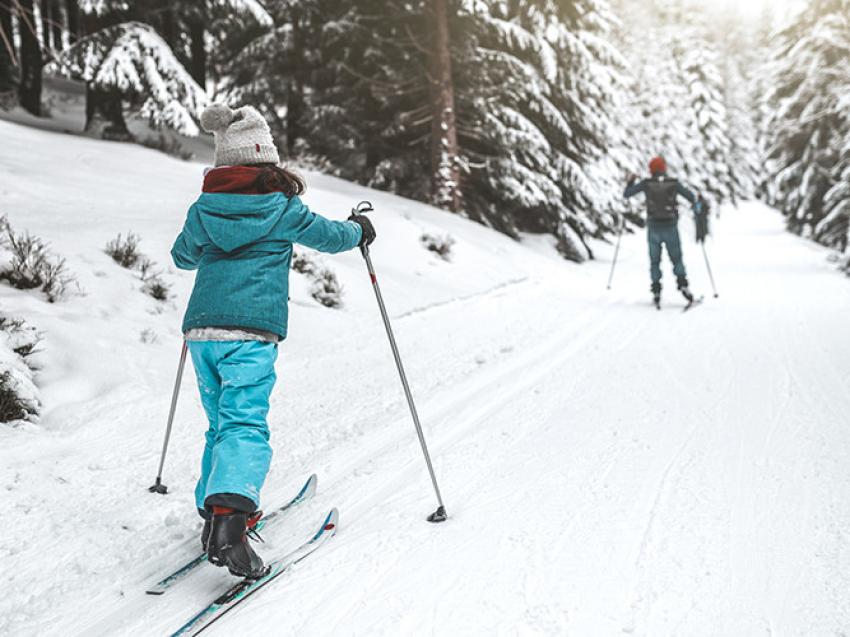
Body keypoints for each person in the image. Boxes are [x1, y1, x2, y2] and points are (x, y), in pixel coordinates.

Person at [171, 103, 375, 578]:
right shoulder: (282, 208)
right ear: (267, 159)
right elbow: (331, 237)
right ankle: (230, 526)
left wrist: (205, 240)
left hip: (201, 332)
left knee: (221, 423)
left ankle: (214, 514)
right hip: (249, 333)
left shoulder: (204, 209)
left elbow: (182, 257)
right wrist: (359, 229)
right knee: (245, 424)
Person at [623, 156, 702, 306]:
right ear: (664, 169)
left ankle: (656, 290)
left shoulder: (647, 184)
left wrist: (630, 182)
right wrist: (696, 208)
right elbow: (692, 197)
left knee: (655, 261)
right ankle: (683, 285)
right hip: (671, 226)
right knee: (676, 259)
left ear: (651, 170)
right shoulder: (673, 183)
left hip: (653, 227)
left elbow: (627, 194)